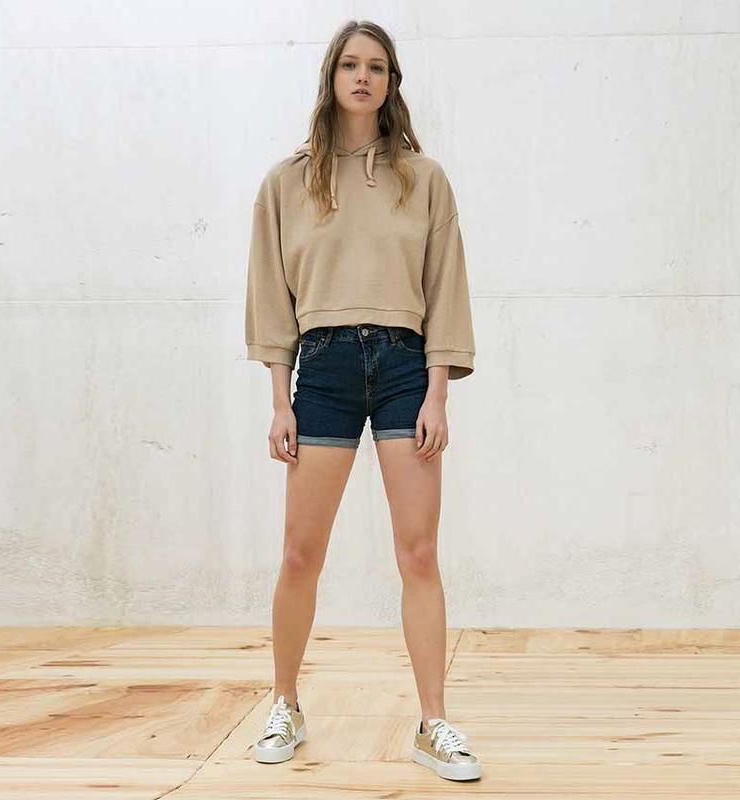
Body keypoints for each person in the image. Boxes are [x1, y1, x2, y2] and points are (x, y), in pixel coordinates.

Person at [244, 19, 481, 782]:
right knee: (299, 553)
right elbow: (271, 300)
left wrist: (438, 393)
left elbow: (446, 290)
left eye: (376, 66)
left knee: (419, 552)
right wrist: (280, 401)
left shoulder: (424, 179)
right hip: (324, 369)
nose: (362, 76)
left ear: (391, 82)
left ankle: (433, 724)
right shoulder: (287, 183)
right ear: (331, 77)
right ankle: (285, 704)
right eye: (350, 64)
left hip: (407, 368)